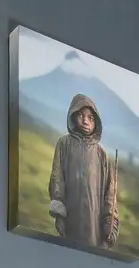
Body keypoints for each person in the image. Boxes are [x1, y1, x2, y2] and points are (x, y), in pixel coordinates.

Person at [48, 94, 120, 251]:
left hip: (94, 227)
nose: (85, 121)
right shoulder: (64, 144)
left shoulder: (102, 155)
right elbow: (57, 178)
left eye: (90, 118)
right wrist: (59, 213)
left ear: (96, 122)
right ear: (73, 115)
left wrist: (110, 223)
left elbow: (110, 193)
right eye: (81, 115)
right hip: (71, 220)